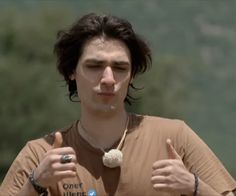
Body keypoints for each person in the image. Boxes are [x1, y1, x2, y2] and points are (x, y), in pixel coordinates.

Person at [0, 13, 235, 196]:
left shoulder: (175, 138)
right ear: (72, 71)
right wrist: (35, 184)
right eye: (94, 66)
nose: (109, 79)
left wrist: (194, 186)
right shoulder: (40, 154)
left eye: (120, 68)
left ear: (132, 75)